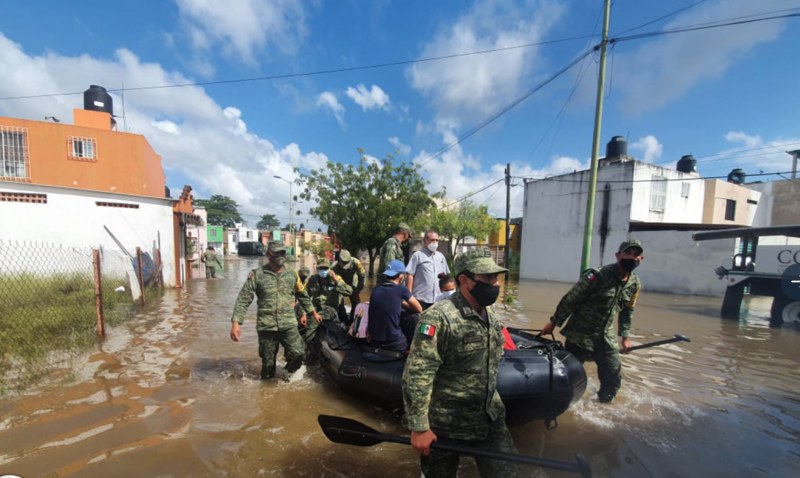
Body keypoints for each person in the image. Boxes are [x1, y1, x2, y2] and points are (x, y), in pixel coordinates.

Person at [402, 248, 519, 478]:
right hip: (446, 425)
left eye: (496, 278)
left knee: (509, 473)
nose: (495, 284)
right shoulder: (438, 317)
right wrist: (419, 426)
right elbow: (418, 373)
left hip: (489, 419)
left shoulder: (490, 315)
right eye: (487, 278)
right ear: (464, 280)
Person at [541, 238, 644, 404]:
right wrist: (554, 322)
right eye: (627, 253)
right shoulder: (597, 275)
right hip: (580, 333)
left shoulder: (634, 284)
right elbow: (571, 299)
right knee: (569, 375)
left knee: (613, 376)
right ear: (618, 255)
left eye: (636, 255)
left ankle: (601, 405)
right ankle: (564, 406)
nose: (632, 258)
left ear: (641, 259)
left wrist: (625, 337)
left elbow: (627, 311)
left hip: (605, 336)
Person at [230, 241, 320, 380]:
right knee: (268, 365)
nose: (280, 256)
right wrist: (236, 323)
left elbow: (303, 295)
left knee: (298, 353)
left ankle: (287, 373)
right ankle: (266, 393)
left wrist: (312, 312)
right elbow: (244, 299)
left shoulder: (292, 274)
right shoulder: (257, 274)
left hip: (288, 324)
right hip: (267, 326)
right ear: (268, 254)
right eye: (276, 253)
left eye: (283, 252)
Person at [368, 260, 422, 352]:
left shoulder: (375, 289)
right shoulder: (401, 289)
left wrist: (397, 301)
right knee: (414, 318)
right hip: (394, 343)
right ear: (401, 276)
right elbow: (419, 308)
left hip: (375, 340)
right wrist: (401, 302)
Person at [301, 258, 353, 346]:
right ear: (317, 269)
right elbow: (304, 296)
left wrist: (336, 280)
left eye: (325, 268)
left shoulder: (336, 278)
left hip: (330, 309)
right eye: (321, 269)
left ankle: (303, 345)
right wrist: (303, 313)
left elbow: (349, 291)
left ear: (329, 269)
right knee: (301, 321)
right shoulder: (313, 279)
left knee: (314, 321)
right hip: (315, 307)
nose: (323, 271)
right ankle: (311, 344)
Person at [405, 229, 450, 310]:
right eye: (432, 240)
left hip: (438, 299)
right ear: (425, 241)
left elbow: (446, 276)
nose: (435, 242)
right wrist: (409, 296)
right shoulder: (417, 256)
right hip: (421, 299)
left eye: (437, 240)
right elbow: (410, 275)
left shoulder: (441, 257)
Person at [332, 249, 366, 324]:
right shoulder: (334, 267)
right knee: (339, 304)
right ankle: (344, 321)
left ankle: (353, 320)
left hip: (353, 283)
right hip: (340, 285)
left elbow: (362, 276)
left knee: (356, 303)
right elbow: (332, 283)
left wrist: (358, 289)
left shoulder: (356, 262)